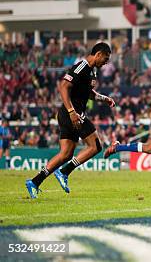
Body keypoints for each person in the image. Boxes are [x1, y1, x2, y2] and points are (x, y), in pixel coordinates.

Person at [25, 42, 116, 199]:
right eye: (106, 58)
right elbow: (63, 86)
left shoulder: (92, 71)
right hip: (71, 114)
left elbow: (89, 93)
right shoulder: (81, 67)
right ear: (98, 54)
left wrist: (104, 98)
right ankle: (64, 172)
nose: (106, 62)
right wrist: (72, 111)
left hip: (70, 114)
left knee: (66, 154)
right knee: (95, 146)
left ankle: (34, 182)